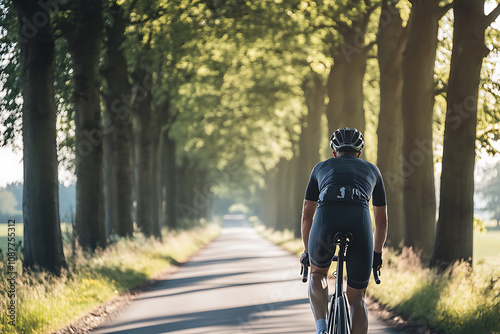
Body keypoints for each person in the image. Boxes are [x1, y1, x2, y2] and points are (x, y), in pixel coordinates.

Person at [299, 127, 388, 334]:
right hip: (360, 225)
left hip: (326, 223)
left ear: (334, 152)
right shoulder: (373, 170)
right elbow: (381, 220)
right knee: (357, 297)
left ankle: (321, 328)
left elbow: (306, 214)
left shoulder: (319, 168)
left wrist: (307, 252)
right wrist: (376, 254)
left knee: (318, 274)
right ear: (359, 153)